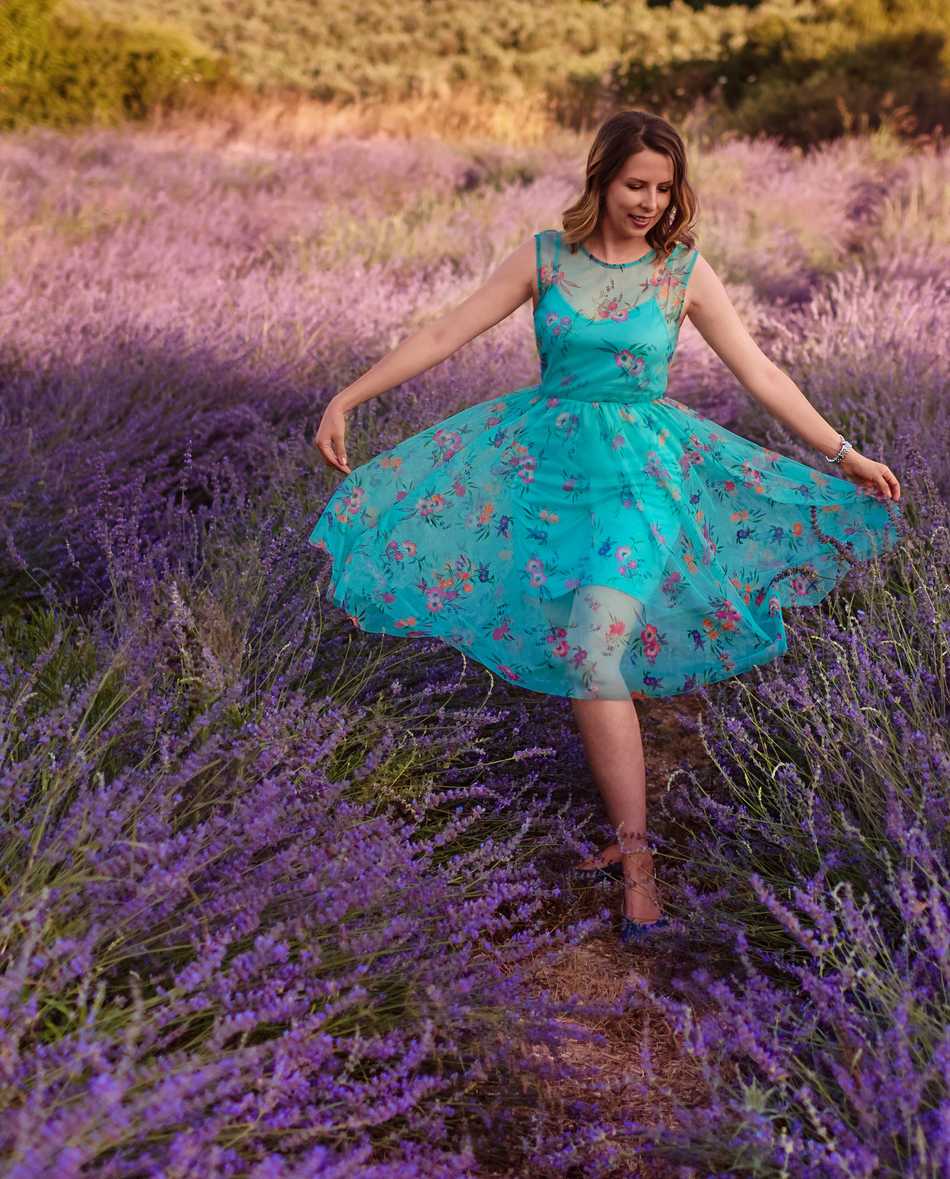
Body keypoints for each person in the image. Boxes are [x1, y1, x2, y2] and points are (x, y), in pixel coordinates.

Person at [310, 110, 903, 938]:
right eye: (636, 185)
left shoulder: (682, 272)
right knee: (583, 661)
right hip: (544, 477)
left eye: (664, 189)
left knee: (595, 654)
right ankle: (618, 837)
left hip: (642, 478)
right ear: (601, 178)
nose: (650, 202)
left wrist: (842, 450)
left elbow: (761, 370)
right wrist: (350, 395)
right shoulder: (543, 258)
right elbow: (447, 331)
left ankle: (638, 861)